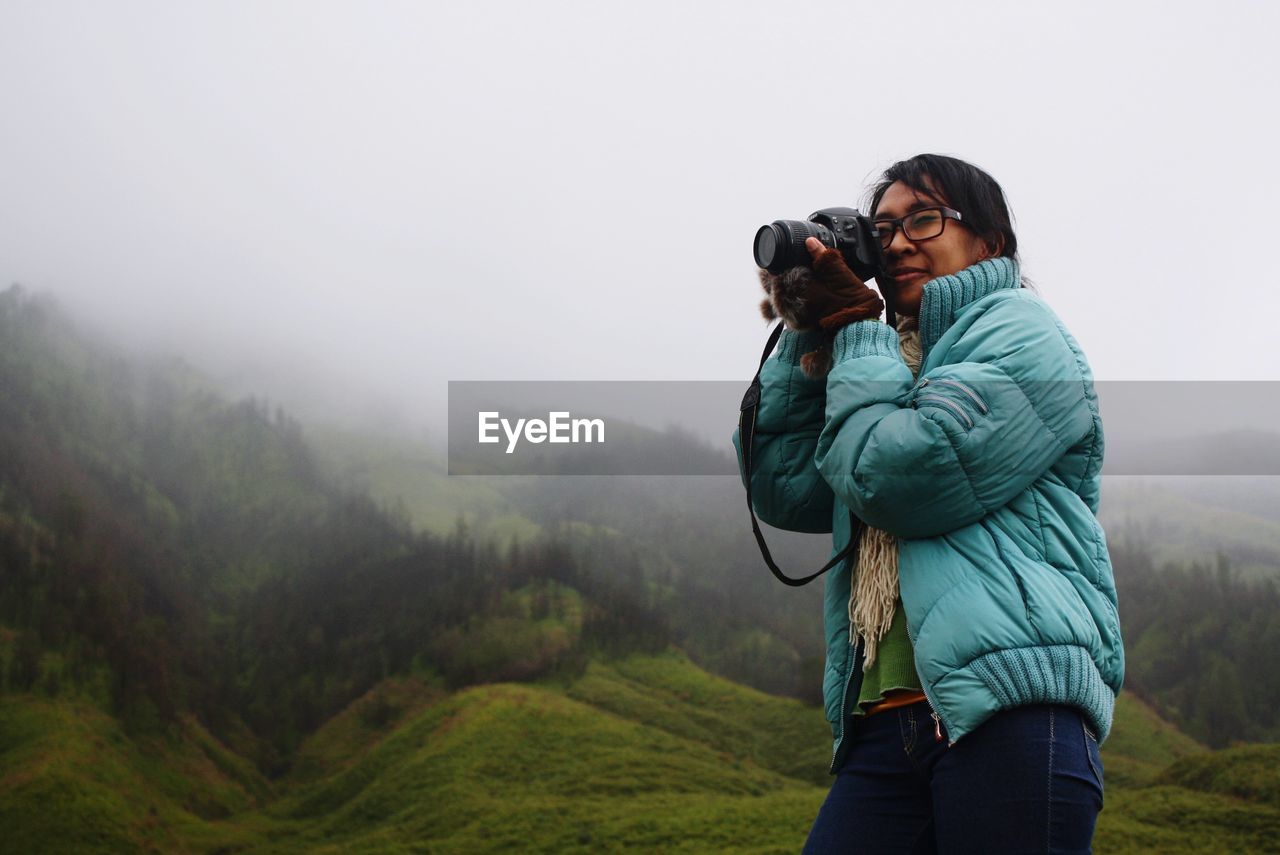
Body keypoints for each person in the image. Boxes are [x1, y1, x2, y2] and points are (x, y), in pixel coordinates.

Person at [732, 154, 1123, 853]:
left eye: (923, 219)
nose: (899, 242)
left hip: (1009, 711)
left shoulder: (1022, 331)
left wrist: (856, 331)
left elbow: (900, 475)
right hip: (883, 725)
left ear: (991, 240)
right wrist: (809, 329)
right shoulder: (882, 358)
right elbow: (782, 480)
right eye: (882, 230)